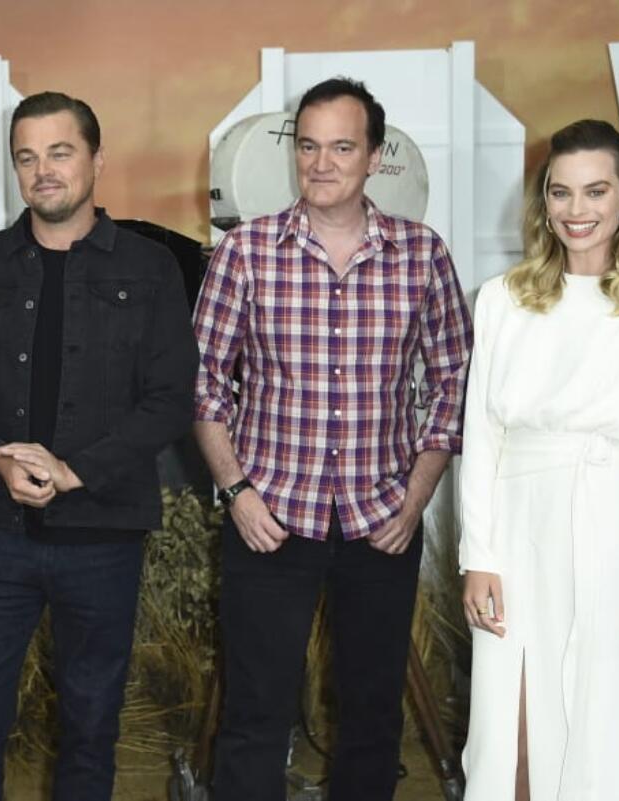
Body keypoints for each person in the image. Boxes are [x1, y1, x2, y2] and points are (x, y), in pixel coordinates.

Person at [193, 77, 472, 801]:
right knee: (256, 713)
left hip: (383, 521)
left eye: (342, 146)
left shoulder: (422, 255)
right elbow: (203, 385)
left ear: (375, 157)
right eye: (309, 146)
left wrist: (415, 501)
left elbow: (453, 383)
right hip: (269, 521)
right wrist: (237, 491)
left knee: (373, 716)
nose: (322, 163)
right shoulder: (246, 252)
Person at [0, 91, 198, 801]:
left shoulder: (150, 267)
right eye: (26, 156)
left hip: (105, 532)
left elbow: (170, 397)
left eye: (59, 152)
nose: (43, 170)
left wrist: (77, 469)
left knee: (92, 720)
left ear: (97, 160)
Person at [458, 119, 619, 800]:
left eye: (595, 191)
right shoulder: (502, 301)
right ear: (544, 202)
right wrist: (476, 553)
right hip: (516, 528)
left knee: (607, 730)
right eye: (561, 193)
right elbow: (481, 436)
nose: (577, 211)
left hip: (615, 531)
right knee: (507, 734)